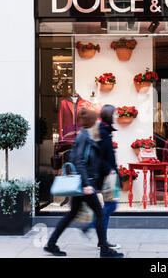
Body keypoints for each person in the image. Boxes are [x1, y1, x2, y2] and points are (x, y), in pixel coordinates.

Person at [43, 108, 123, 258]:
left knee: (71, 215)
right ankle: (104, 250)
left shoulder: (86, 135)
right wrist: (87, 184)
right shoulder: (84, 137)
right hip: (85, 183)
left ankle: (51, 244)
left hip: (85, 182)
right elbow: (79, 161)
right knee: (99, 213)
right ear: (92, 121)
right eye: (95, 120)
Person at [81, 105, 121, 248]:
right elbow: (100, 156)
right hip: (106, 176)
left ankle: (101, 239)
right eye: (115, 114)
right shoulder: (103, 132)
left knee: (109, 206)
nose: (116, 116)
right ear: (109, 115)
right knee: (110, 206)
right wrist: (110, 169)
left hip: (107, 175)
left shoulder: (105, 130)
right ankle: (93, 228)